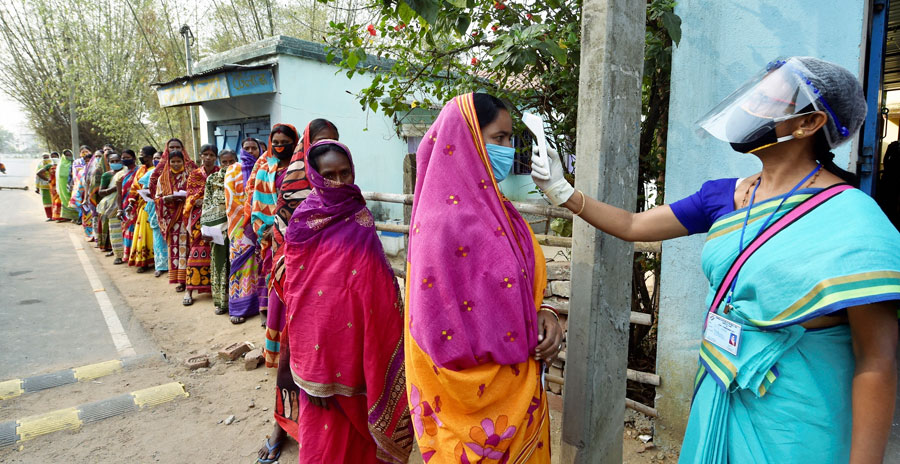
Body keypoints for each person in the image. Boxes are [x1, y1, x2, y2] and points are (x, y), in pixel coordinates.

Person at [530, 57, 900, 463]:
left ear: (808, 124)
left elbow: (876, 361)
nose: (751, 109)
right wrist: (562, 191)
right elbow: (634, 225)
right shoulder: (723, 196)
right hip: (721, 386)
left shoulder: (854, 220)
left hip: (799, 419)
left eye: (768, 101)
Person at [405, 93, 563, 463]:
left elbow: (523, 286)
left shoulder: (502, 212)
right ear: (467, 138)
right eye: (499, 138)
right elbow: (436, 330)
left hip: (522, 396)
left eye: (511, 139)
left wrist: (547, 313)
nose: (509, 149)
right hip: (470, 408)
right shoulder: (440, 225)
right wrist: (518, 337)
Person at [280, 139, 412, 463]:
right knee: (324, 449)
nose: (337, 183)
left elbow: (378, 284)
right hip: (319, 362)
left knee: (360, 448)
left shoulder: (360, 217)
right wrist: (314, 376)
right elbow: (298, 301)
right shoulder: (301, 225)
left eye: (344, 173)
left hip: (361, 357)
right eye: (329, 175)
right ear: (314, 175)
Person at [256, 120, 339, 463]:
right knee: (291, 362)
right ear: (306, 146)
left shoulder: (342, 183)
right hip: (297, 287)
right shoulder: (291, 187)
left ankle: (329, 432)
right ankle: (281, 427)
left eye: (333, 142)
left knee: (332, 361)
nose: (326, 150)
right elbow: (284, 241)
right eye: (320, 143)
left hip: (334, 288)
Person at [244, 124, 299, 326]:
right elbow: (257, 204)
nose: (280, 146)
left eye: (285, 143)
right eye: (275, 143)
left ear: (295, 143)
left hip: (294, 233)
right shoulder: (264, 171)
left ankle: (290, 316)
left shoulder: (300, 169)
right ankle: (269, 313)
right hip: (268, 234)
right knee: (271, 272)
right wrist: (265, 229)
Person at [224, 137, 265, 324]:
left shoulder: (265, 168)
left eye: (253, 148)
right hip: (240, 227)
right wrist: (247, 216)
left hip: (262, 225)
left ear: (259, 149)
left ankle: (261, 305)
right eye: (246, 148)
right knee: (240, 267)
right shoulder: (232, 170)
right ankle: (239, 307)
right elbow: (230, 199)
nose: (250, 151)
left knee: (261, 266)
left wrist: (258, 218)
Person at [181, 144, 219, 305]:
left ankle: (216, 288)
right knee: (196, 251)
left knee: (216, 251)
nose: (208, 158)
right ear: (201, 156)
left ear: (215, 157)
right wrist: (198, 201)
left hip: (218, 216)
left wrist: (211, 201)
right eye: (205, 154)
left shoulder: (220, 173)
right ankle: (189, 290)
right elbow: (190, 197)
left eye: (211, 155)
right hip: (198, 218)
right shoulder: (194, 175)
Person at [201, 149, 237, 314]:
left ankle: (238, 302)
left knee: (237, 264)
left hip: (238, 228)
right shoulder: (213, 179)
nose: (229, 165)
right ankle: (221, 302)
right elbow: (207, 204)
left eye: (231, 161)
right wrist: (205, 229)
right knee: (220, 263)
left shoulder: (243, 177)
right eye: (225, 162)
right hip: (218, 229)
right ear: (220, 163)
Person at [154, 149, 195, 291]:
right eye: (173, 161)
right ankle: (179, 280)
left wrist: (186, 198)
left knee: (188, 248)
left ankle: (189, 279)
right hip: (172, 220)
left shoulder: (190, 176)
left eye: (179, 161)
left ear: (184, 162)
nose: (176, 164)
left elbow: (196, 193)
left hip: (187, 217)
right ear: (168, 162)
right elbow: (157, 198)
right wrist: (167, 198)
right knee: (175, 250)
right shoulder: (163, 178)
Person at [126, 146, 158, 272]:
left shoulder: (156, 170)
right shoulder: (140, 170)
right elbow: (134, 188)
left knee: (154, 234)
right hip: (143, 206)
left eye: (142, 154)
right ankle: (143, 261)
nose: (140, 157)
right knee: (142, 233)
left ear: (149, 156)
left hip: (155, 205)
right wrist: (130, 204)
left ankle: (157, 261)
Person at [143, 151, 169, 278]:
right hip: (155, 208)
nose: (156, 161)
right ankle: (160, 266)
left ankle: (172, 265)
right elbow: (143, 189)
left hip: (170, 208)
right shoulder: (150, 174)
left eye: (159, 158)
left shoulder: (172, 172)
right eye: (154, 158)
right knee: (158, 237)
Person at [70, 146, 92, 229]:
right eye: (83, 152)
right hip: (80, 184)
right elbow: (75, 173)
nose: (85, 153)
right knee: (82, 202)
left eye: (87, 151)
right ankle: (81, 218)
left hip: (90, 188)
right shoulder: (77, 162)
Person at [56, 149, 78, 221]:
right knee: (65, 199)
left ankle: (75, 216)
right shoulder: (61, 164)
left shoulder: (75, 163)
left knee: (73, 198)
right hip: (63, 185)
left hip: (73, 183)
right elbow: (59, 176)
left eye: (70, 155)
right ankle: (67, 216)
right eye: (67, 155)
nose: (69, 156)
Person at [35, 153, 53, 220]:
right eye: (44, 157)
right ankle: (49, 216)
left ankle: (55, 216)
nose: (46, 159)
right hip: (44, 186)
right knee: (46, 202)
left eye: (47, 157)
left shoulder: (53, 163)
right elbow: (37, 176)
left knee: (54, 201)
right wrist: (37, 187)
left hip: (53, 186)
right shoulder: (40, 165)